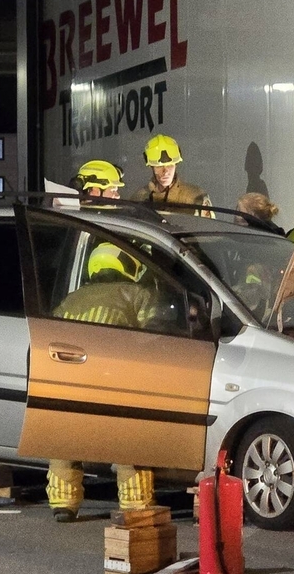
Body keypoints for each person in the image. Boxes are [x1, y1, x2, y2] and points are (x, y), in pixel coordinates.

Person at [46, 242, 157, 522]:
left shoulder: (71, 299)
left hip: (71, 382)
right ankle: (135, 505)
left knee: (65, 443)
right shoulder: (136, 294)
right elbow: (156, 335)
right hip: (114, 382)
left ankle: (63, 503)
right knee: (125, 442)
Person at [130, 134, 213, 217]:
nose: (165, 172)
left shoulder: (195, 196)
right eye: (159, 166)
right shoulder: (139, 198)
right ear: (151, 167)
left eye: (170, 165)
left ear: (176, 165)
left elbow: (209, 227)